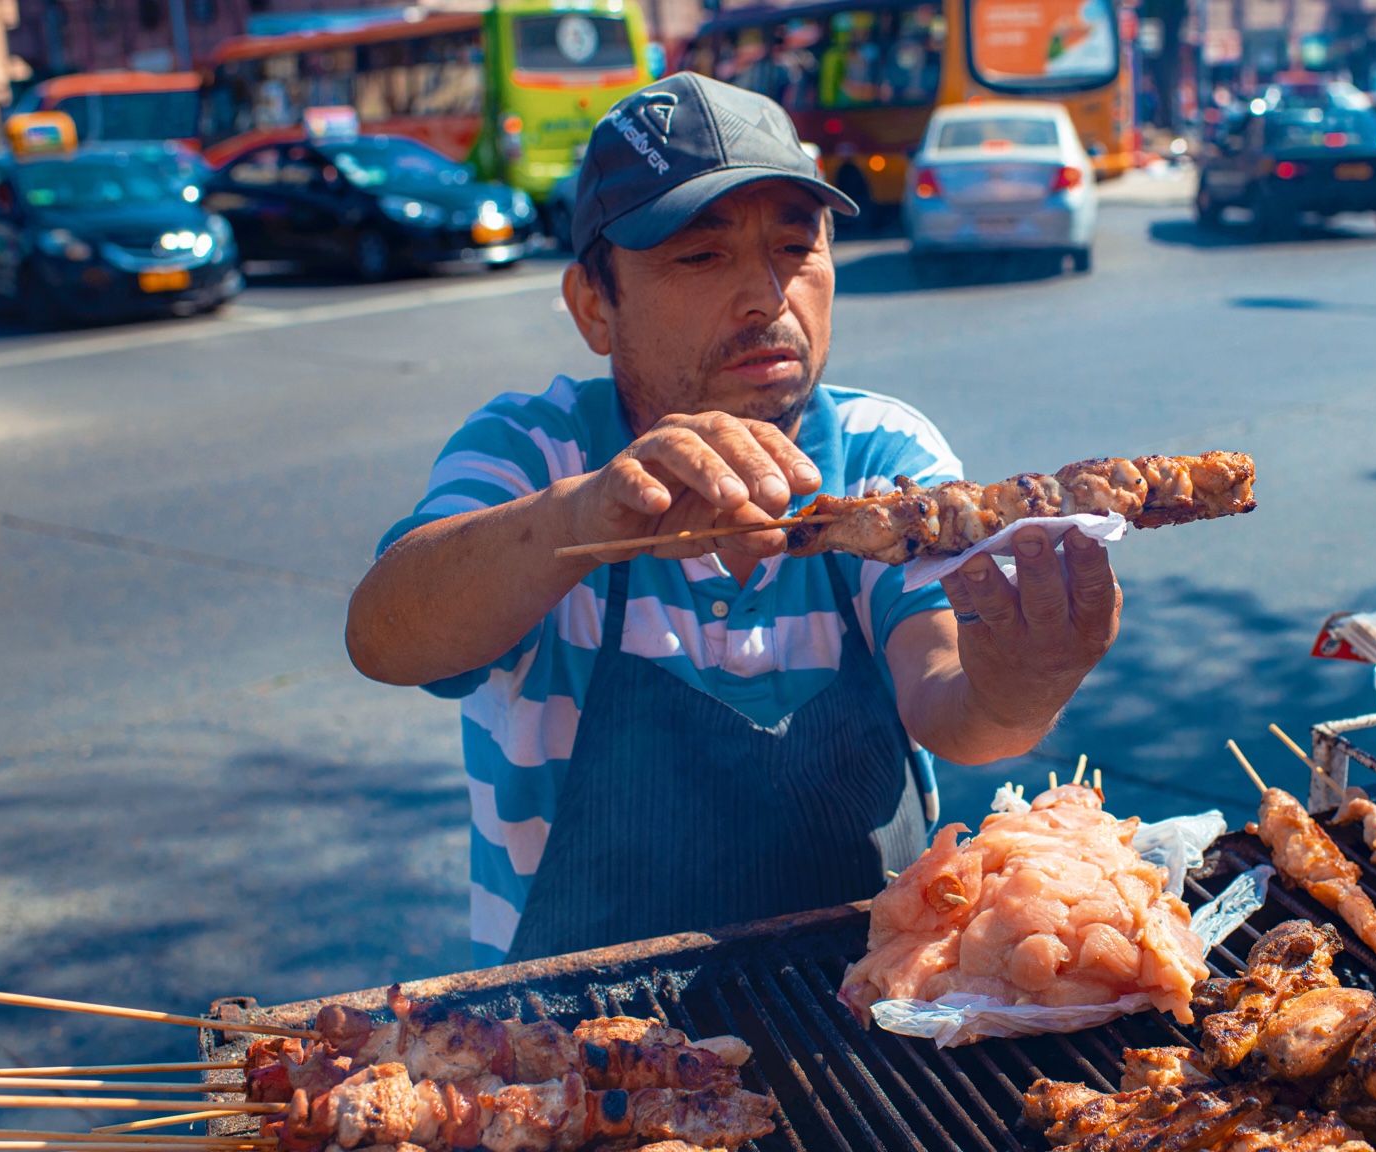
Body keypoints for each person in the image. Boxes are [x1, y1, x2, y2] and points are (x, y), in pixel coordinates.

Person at [345, 73, 1122, 967]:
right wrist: (593, 506)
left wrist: (1024, 683)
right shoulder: (533, 449)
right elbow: (385, 635)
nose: (767, 296)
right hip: (574, 1037)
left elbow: (953, 703)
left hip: (868, 1012)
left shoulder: (878, 452)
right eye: (702, 257)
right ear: (595, 305)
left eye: (795, 248)